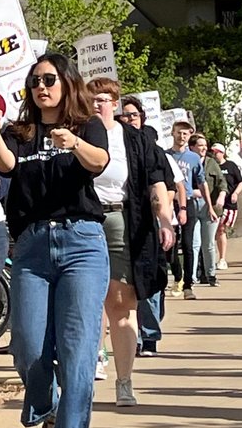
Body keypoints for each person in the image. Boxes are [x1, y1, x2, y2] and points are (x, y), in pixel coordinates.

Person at [0, 53, 110, 428]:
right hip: (33, 247)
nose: (42, 87)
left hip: (82, 243)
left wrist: (75, 144)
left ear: (66, 83)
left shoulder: (86, 126)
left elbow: (99, 162)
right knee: (29, 348)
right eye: (35, 81)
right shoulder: (20, 131)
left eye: (49, 79)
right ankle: (49, 406)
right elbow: (6, 164)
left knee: (78, 350)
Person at [86, 78, 175, 406]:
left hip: (125, 220)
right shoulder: (77, 135)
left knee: (122, 303)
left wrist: (165, 220)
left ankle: (125, 381)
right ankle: (92, 365)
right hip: (86, 221)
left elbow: (157, 182)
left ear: (115, 103)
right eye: (92, 99)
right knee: (88, 301)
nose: (98, 104)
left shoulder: (136, 140)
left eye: (104, 99)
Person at [120, 95, 184, 355]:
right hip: (120, 221)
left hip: (148, 222)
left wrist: (164, 220)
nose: (127, 119)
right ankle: (131, 337)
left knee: (148, 279)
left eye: (132, 115)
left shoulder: (154, 150)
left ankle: (149, 337)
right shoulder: (111, 146)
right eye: (123, 115)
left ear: (141, 118)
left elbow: (167, 188)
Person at [167, 120, 206, 299]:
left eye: (185, 133)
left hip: (188, 202)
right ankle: (178, 276)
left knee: (189, 244)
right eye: (178, 133)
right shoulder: (166, 155)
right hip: (170, 202)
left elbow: (201, 181)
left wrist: (210, 206)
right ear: (173, 133)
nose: (181, 136)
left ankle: (188, 285)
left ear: (189, 135)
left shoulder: (194, 158)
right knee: (171, 245)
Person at [193, 132, 225, 287]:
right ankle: (191, 277)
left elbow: (222, 182)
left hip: (209, 207)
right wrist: (191, 192)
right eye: (200, 145)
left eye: (205, 146)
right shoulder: (188, 160)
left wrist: (221, 197)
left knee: (208, 243)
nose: (203, 148)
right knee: (194, 243)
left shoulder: (212, 163)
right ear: (192, 147)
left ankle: (210, 274)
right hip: (191, 205)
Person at [213, 142, 242, 270]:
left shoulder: (230, 166)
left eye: (217, 152)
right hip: (214, 203)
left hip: (228, 204)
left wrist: (235, 193)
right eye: (213, 152)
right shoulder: (210, 166)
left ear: (222, 153)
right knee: (214, 231)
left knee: (221, 229)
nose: (215, 154)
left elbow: (241, 182)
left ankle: (222, 259)